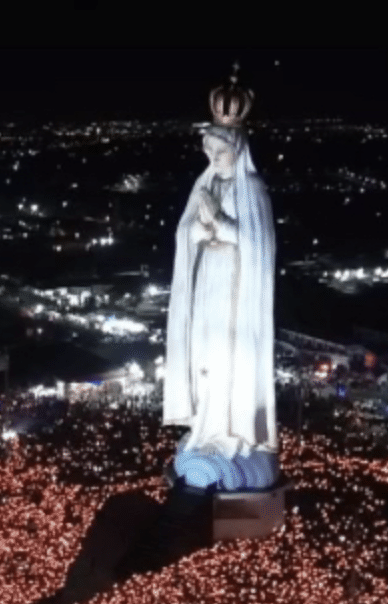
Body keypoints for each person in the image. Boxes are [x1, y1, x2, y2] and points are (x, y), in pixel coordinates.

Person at [163, 73, 277, 467]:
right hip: (206, 279)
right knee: (204, 353)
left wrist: (221, 224)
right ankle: (204, 425)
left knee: (228, 353)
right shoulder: (206, 186)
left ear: (238, 149)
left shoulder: (253, 188)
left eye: (221, 151)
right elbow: (185, 233)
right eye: (209, 150)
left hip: (234, 285)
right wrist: (201, 226)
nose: (213, 158)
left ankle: (230, 428)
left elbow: (258, 244)